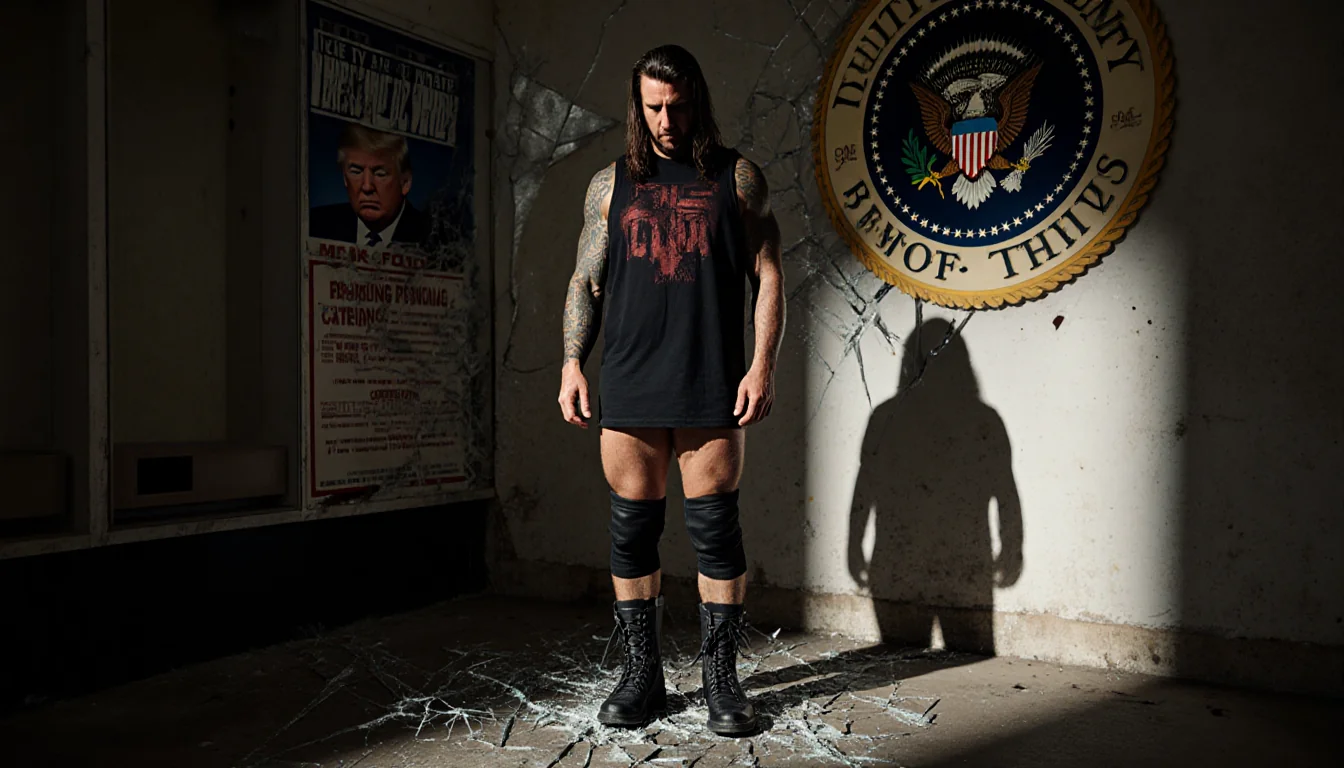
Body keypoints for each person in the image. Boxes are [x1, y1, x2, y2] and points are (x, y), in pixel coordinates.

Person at [557, 44, 784, 736]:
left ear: (697, 100)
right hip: (627, 380)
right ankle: (643, 677)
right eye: (653, 106)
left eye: (677, 105)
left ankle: (723, 680)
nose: (665, 119)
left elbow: (768, 275)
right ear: (638, 104)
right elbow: (584, 281)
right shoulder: (607, 186)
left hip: (708, 380)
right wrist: (571, 361)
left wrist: (762, 364)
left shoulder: (738, 179)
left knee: (715, 533)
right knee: (633, 534)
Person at [309, 122, 429, 247]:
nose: (367, 187)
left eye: (380, 174)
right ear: (345, 177)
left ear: (405, 183)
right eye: (356, 172)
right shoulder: (316, 224)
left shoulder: (434, 238)